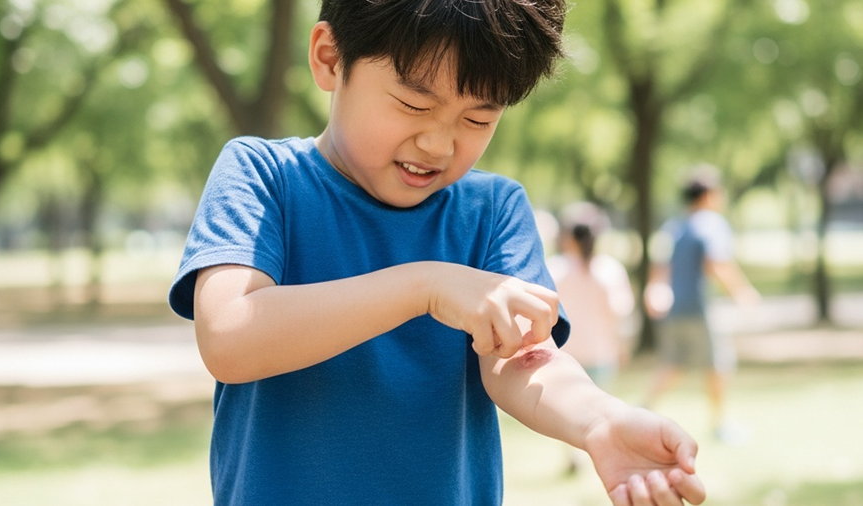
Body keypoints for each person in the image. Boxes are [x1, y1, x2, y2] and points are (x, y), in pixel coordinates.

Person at [168, 1, 706, 504]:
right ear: (330, 59)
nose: (439, 145)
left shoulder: (491, 211)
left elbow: (522, 358)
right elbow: (231, 337)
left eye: (477, 120)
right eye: (413, 104)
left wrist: (599, 421)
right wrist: (423, 286)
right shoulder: (263, 178)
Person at [643, 166, 761, 444]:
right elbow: (717, 263)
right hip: (699, 308)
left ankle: (641, 410)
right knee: (718, 364)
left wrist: (653, 292)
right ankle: (720, 425)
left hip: (674, 309)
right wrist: (742, 293)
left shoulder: (674, 227)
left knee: (673, 363)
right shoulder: (712, 223)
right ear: (709, 195)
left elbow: (659, 269)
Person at [546, 202, 636, 474]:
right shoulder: (610, 270)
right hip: (601, 351)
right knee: (599, 408)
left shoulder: (554, 268)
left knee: (566, 409)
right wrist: (623, 347)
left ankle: (573, 455)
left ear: (568, 236)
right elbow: (620, 314)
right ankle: (599, 453)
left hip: (566, 352)